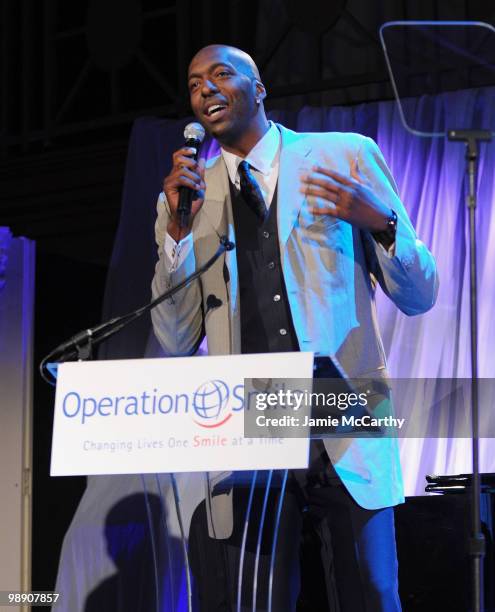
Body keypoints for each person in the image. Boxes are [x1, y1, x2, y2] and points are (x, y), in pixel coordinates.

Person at [151, 44, 438, 611]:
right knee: (257, 600)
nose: (204, 89)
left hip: (345, 412)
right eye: (192, 83)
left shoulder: (344, 157)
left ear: (259, 89)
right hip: (252, 426)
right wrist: (178, 238)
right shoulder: (188, 198)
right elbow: (175, 336)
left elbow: (420, 295)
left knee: (373, 596)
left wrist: (381, 223)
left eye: (220, 75)